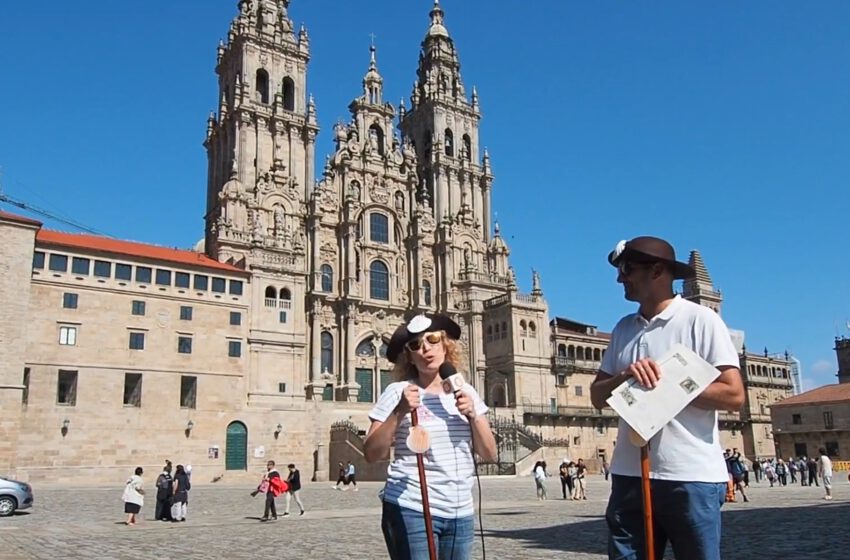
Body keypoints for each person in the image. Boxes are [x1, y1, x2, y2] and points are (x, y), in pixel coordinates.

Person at [590, 237, 745, 560]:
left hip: (690, 476)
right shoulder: (623, 329)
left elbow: (733, 393)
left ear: (658, 270)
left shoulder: (701, 321)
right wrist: (625, 378)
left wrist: (669, 387)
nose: (620, 278)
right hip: (629, 475)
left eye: (627, 269)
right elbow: (597, 396)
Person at [364, 313, 497, 560]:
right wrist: (399, 412)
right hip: (411, 504)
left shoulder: (465, 391)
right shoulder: (397, 392)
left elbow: (490, 453)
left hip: (460, 510)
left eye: (433, 339)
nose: (426, 348)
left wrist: (474, 416)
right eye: (416, 345)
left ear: (445, 345)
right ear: (409, 356)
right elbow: (372, 453)